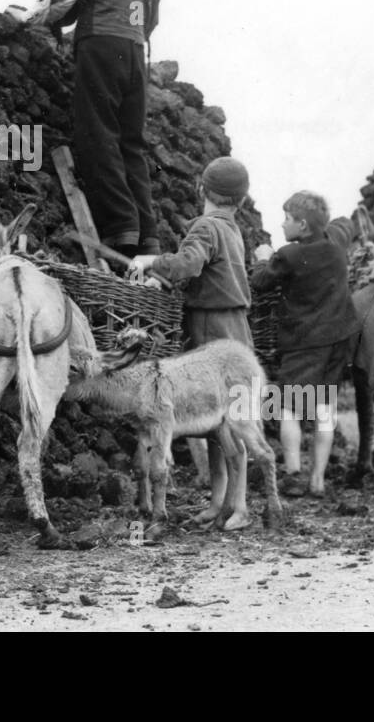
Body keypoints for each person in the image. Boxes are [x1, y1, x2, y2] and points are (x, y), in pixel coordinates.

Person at [23, 0, 163, 259]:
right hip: (135, 52)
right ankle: (147, 236)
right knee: (131, 143)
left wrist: (37, 9)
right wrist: (61, 18)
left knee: (97, 131)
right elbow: (149, 20)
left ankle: (120, 228)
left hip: (101, 45)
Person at [126, 156, 255, 522]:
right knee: (217, 420)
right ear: (241, 201)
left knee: (226, 422)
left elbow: (189, 264)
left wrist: (149, 263)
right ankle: (220, 503)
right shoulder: (231, 230)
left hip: (212, 332)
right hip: (235, 328)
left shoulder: (205, 227)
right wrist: (165, 279)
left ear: (201, 189)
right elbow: (206, 275)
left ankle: (240, 507)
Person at [250, 190, 360, 498]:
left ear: (302, 225)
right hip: (338, 340)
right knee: (325, 408)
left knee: (288, 408)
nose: (282, 224)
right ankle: (318, 481)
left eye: (287, 219)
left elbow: (260, 283)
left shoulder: (289, 255)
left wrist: (262, 257)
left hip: (304, 342)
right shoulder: (336, 250)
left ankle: (294, 474)